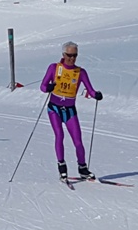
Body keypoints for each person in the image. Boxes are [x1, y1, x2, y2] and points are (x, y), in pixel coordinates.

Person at [40, 41, 102, 181]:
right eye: (69, 55)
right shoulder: (54, 68)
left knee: (78, 140)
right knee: (59, 135)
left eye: (75, 56)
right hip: (54, 108)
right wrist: (48, 88)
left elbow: (90, 90)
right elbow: (42, 86)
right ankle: (62, 166)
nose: (72, 58)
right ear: (63, 54)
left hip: (70, 110)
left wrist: (96, 95)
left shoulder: (80, 72)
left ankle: (83, 168)